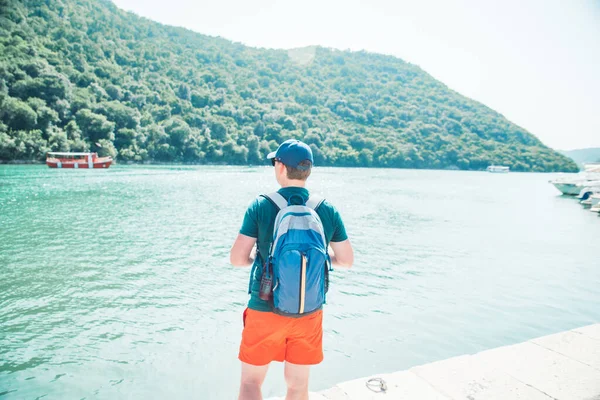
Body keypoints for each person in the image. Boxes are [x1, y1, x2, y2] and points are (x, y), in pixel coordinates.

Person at [230, 139, 354, 400]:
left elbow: (237, 259)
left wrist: (259, 256)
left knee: (251, 383)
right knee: (298, 387)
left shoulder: (262, 205)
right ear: (307, 170)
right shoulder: (325, 208)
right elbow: (346, 260)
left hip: (264, 307)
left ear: (281, 167)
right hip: (308, 311)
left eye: (275, 162)